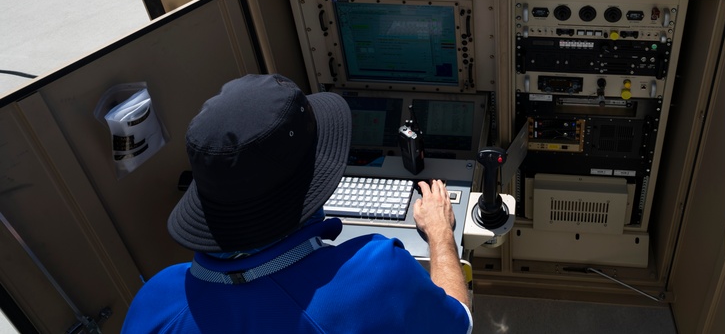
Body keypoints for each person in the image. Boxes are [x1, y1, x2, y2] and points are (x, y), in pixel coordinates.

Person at [122, 74, 472, 334]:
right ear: (314, 181)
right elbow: (458, 320)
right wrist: (441, 236)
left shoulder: (154, 303)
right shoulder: (377, 274)